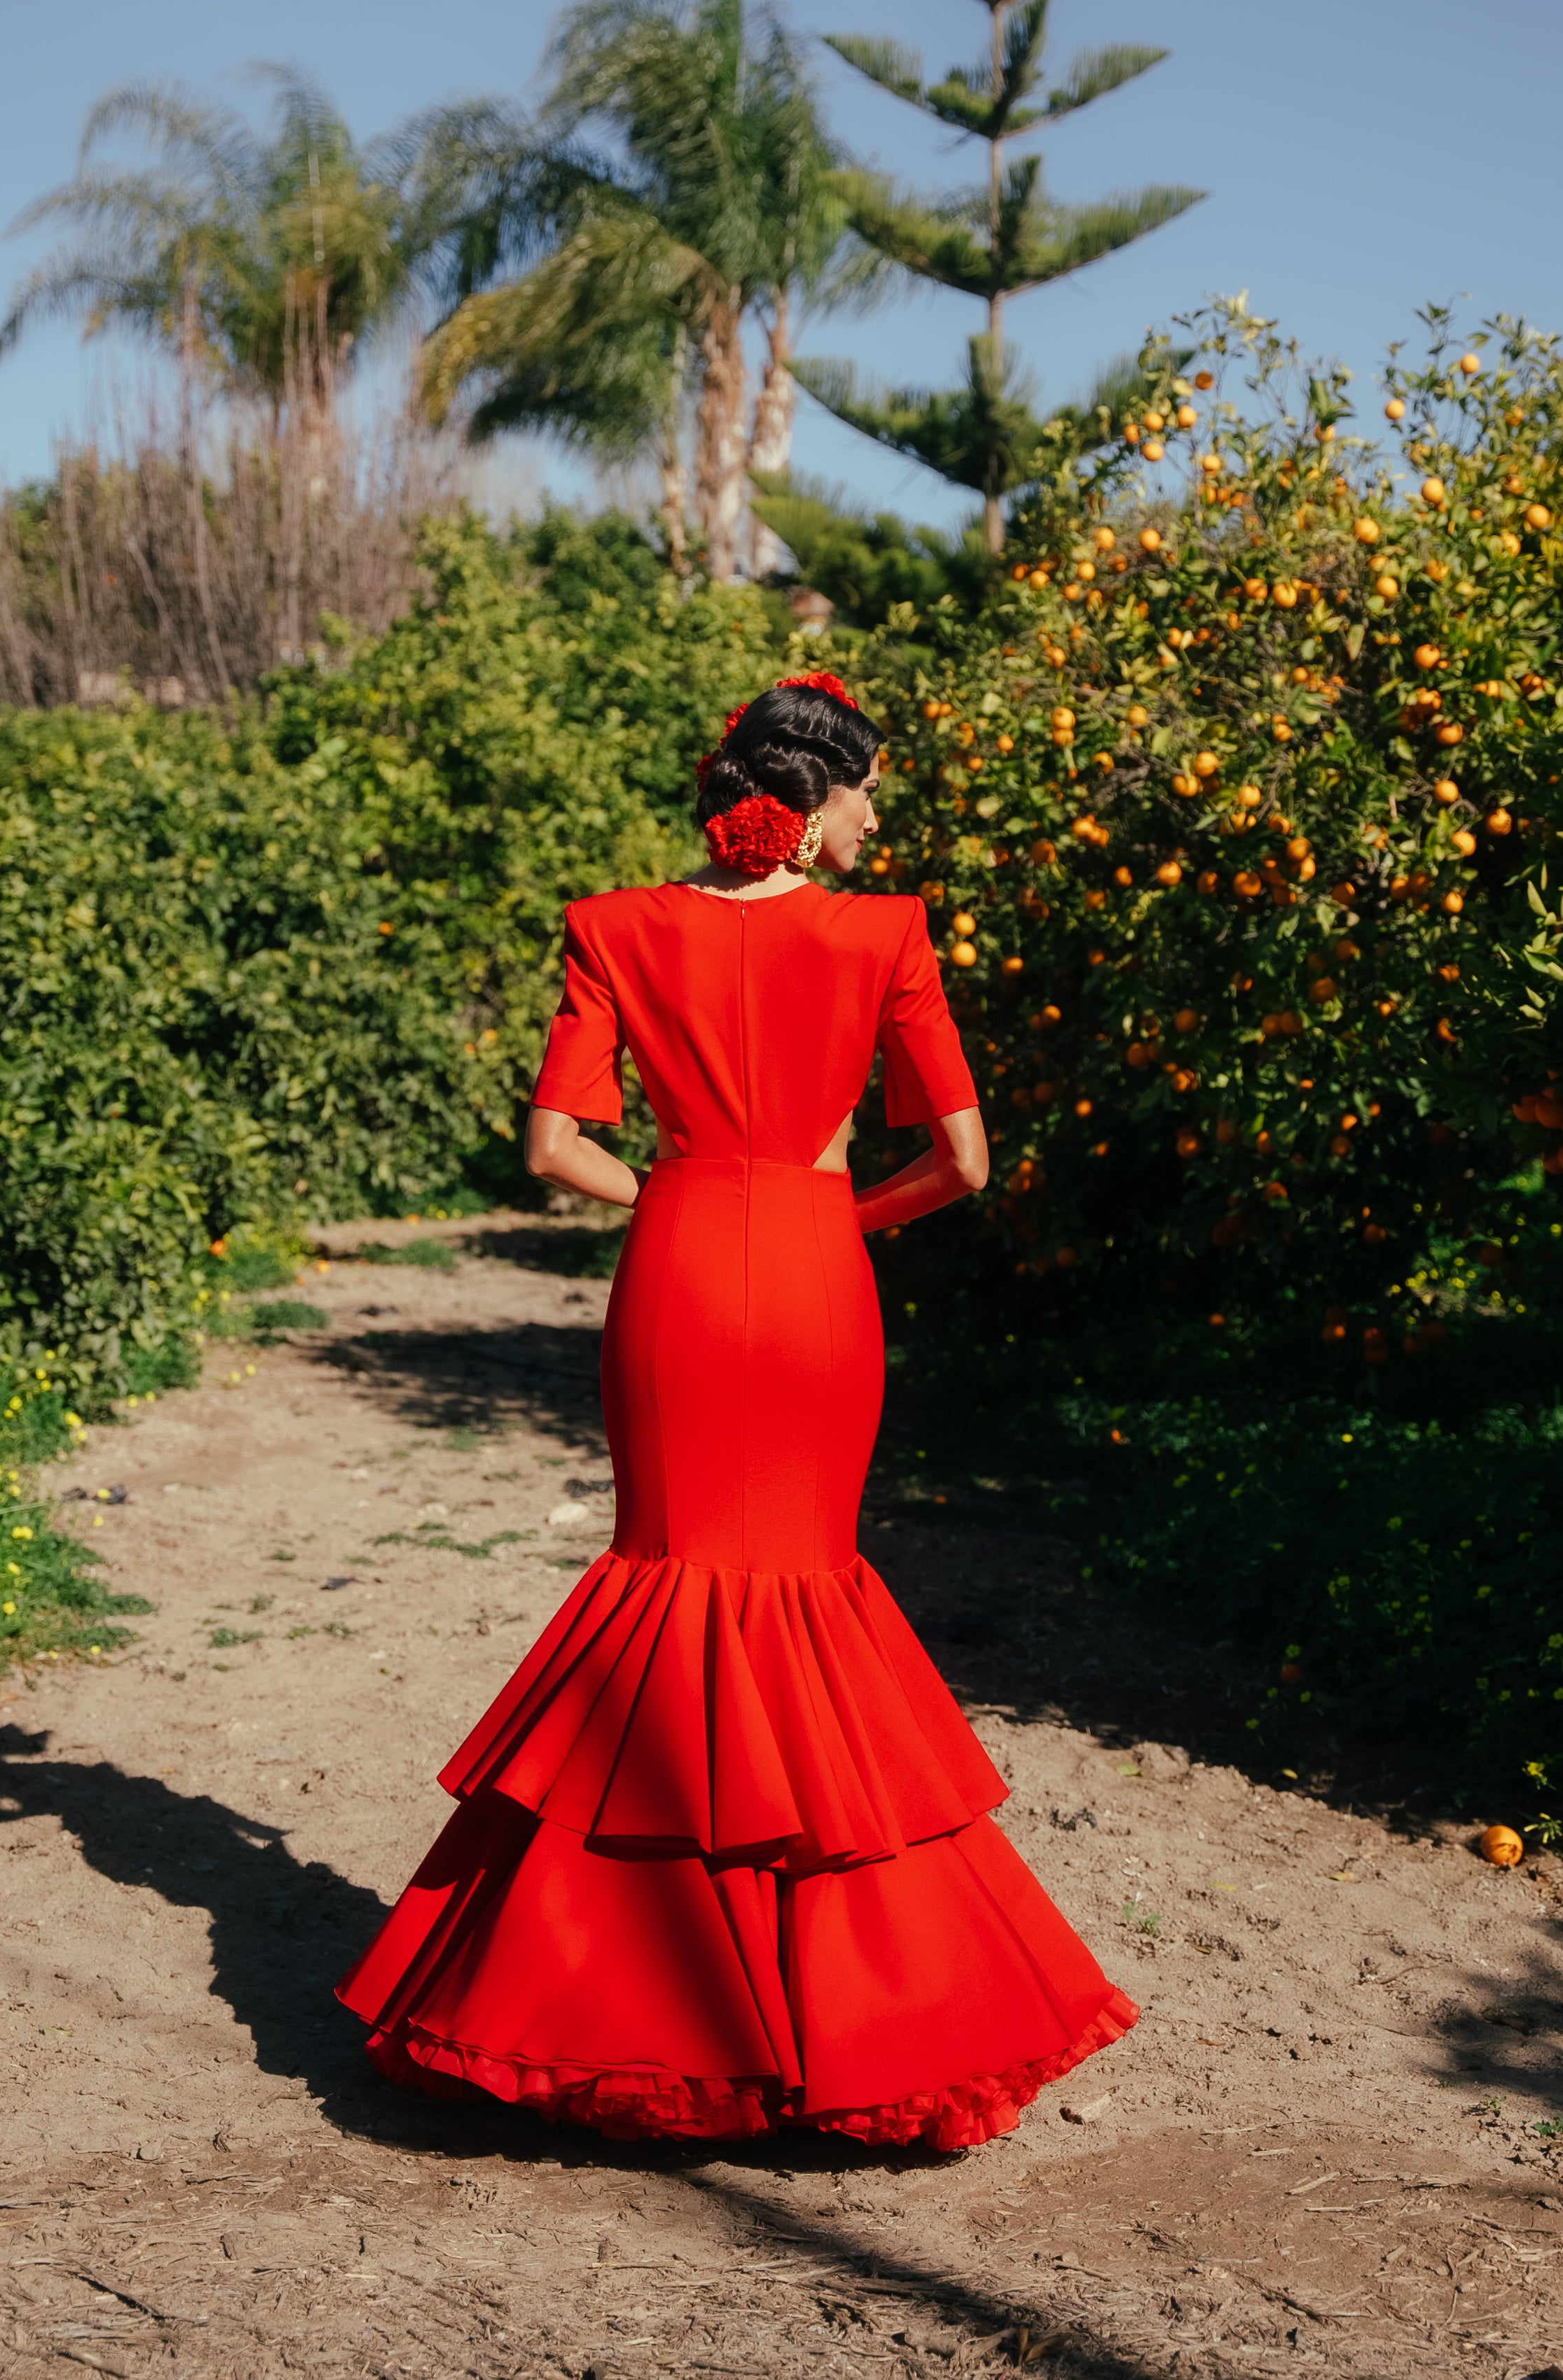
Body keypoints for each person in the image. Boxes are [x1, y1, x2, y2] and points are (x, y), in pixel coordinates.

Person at [337, 673, 1137, 2149]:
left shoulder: (611, 924)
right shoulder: (885, 930)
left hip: (679, 1275)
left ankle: (598, 2003)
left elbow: (550, 1147)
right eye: (871, 790)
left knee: (665, 1592)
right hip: (822, 1281)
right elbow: (960, 1156)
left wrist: (680, 1198)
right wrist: (837, 1214)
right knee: (808, 1598)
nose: (880, 816)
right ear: (819, 803)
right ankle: (866, 2018)